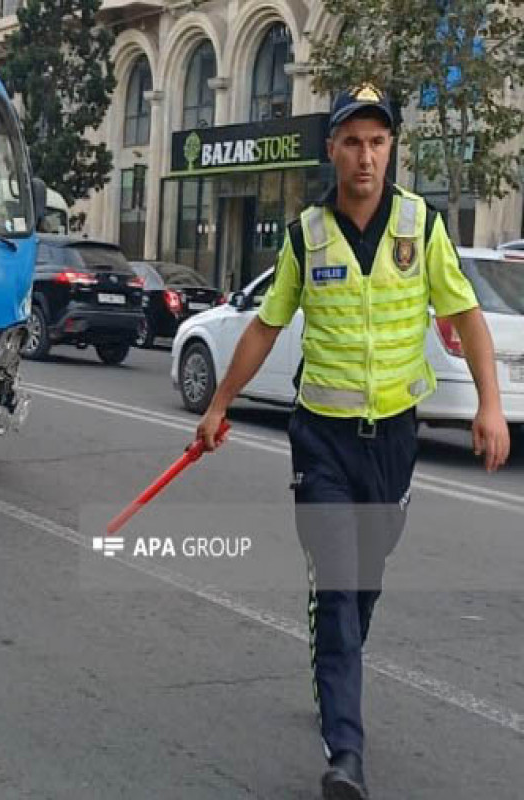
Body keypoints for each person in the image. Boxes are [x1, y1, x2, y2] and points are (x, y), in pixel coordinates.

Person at [195, 84, 510, 799]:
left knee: (365, 584)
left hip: (395, 439)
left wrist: (489, 406)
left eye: (377, 141)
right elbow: (264, 327)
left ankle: (336, 660)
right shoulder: (306, 236)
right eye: (351, 142)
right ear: (331, 149)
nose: (365, 155)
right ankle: (346, 754)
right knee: (338, 588)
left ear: (390, 148)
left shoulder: (420, 225)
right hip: (322, 442)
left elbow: (466, 315)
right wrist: (219, 404)